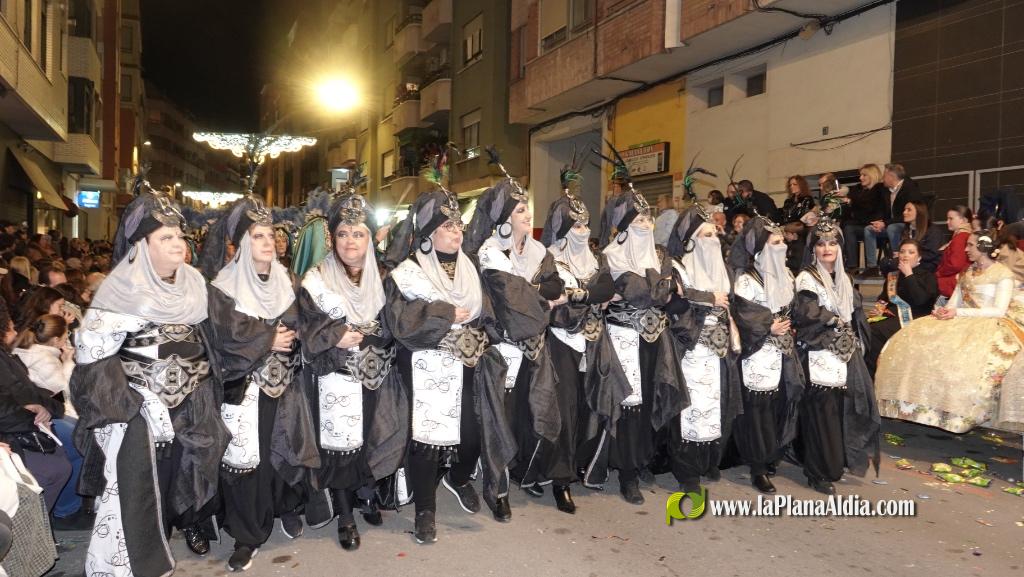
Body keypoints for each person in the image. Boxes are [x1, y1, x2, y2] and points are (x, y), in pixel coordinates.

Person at [70, 183, 230, 576]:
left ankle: (189, 521)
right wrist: (128, 404)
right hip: (141, 407)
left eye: (180, 235)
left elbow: (219, 334)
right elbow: (92, 357)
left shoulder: (195, 282)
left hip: (194, 399)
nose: (179, 243)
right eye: (166, 237)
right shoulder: (120, 290)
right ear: (142, 245)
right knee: (144, 483)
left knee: (189, 469)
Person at [198, 197, 320, 571]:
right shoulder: (222, 287)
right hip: (244, 388)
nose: (268, 242)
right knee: (246, 463)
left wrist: (296, 333)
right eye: (257, 236)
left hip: (286, 386)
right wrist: (268, 338)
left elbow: (309, 318)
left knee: (285, 449)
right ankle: (248, 534)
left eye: (270, 234)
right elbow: (223, 334)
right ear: (238, 244)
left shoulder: (288, 280)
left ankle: (286, 507)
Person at [382, 185, 505, 544]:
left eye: (458, 227)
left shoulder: (470, 267)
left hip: (468, 363)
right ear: (429, 232)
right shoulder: (406, 272)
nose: (457, 233)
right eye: (449, 227)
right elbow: (401, 323)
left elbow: (487, 313)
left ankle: (459, 477)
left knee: (471, 432)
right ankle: (425, 510)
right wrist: (444, 314)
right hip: (425, 365)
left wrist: (484, 333)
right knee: (426, 441)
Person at [297, 192, 408, 551]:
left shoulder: (386, 278)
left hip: (380, 376)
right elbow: (307, 326)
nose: (350, 242)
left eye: (358, 234)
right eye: (343, 234)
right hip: (338, 377)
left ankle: (367, 494)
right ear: (332, 238)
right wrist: (334, 335)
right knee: (342, 448)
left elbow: (398, 321)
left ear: (370, 238)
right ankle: (345, 514)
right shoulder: (316, 280)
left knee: (375, 437)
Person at [463, 167, 563, 513]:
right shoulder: (490, 251)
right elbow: (511, 300)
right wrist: (543, 297)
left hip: (536, 349)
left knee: (534, 414)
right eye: (519, 209)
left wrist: (539, 294)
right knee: (499, 421)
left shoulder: (538, 250)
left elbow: (555, 286)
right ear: (504, 217)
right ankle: (497, 488)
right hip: (502, 350)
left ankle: (529, 472)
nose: (527, 212)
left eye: (527, 207)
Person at [875, 230, 1024, 433]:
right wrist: (944, 311)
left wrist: (957, 312)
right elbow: (955, 301)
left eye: (970, 245)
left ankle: (962, 413)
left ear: (983, 248)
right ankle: (915, 406)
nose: (966, 249)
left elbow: (998, 310)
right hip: (959, 318)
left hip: (989, 323)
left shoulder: (1002, 274)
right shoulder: (967, 272)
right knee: (912, 336)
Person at [540, 169, 629, 506]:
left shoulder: (595, 258)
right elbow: (556, 303)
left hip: (594, 341)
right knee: (563, 410)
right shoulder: (548, 259)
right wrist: (587, 295)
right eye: (577, 225)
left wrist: (577, 293)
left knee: (592, 405)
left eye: (586, 224)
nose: (584, 230)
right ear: (563, 227)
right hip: (562, 343)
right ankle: (560, 478)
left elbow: (607, 287)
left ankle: (585, 465)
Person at [596, 183, 686, 505]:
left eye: (648, 219)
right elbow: (647, 291)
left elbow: (665, 295)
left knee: (652, 399)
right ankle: (627, 473)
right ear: (623, 226)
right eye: (637, 221)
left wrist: (656, 287)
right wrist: (659, 287)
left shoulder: (661, 255)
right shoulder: (610, 256)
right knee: (629, 405)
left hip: (655, 340)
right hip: (622, 339)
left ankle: (644, 460)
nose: (645, 225)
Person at [791, 218, 880, 495]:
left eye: (832, 243)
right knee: (821, 415)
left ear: (841, 247)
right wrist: (832, 319)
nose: (827, 248)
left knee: (843, 411)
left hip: (844, 354)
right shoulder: (807, 277)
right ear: (813, 249)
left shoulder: (845, 278)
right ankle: (818, 471)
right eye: (820, 244)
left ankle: (834, 462)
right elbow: (805, 312)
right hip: (818, 354)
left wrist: (856, 338)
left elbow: (855, 315)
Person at [665, 206, 741, 494]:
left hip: (719, 350)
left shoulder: (722, 269)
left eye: (714, 234)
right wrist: (707, 298)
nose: (713, 239)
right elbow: (673, 301)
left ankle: (709, 460)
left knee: (717, 404)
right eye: (705, 235)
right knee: (690, 408)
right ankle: (686, 471)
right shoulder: (678, 267)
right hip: (690, 349)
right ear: (691, 239)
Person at [727, 216, 803, 495]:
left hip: (783, 352)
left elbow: (794, 308)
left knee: (778, 405)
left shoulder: (789, 276)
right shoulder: (746, 280)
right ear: (759, 249)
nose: (782, 246)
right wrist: (767, 325)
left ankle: (772, 455)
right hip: (758, 353)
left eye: (783, 241)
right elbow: (742, 313)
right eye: (775, 242)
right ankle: (757, 467)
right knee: (757, 410)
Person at [11, 314, 89, 529]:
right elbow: (65, 389)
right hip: (32, 418)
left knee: (76, 437)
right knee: (78, 442)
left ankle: (69, 506)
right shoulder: (43, 359)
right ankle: (67, 510)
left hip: (40, 411)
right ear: (57, 340)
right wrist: (67, 362)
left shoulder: (24, 354)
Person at [0, 301, 71, 516]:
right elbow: (57, 387)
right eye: (9, 326)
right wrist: (33, 416)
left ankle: (49, 521)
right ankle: (53, 519)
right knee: (60, 462)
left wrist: (47, 409)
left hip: (23, 419)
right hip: (14, 429)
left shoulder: (7, 355)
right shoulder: (17, 357)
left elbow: (26, 392)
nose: (13, 329)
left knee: (67, 447)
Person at [864, 240, 938, 375]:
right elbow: (884, 298)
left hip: (916, 318)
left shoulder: (928, 276)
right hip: (892, 315)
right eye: (902, 252)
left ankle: (877, 374)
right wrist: (878, 309)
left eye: (911, 252)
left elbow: (920, 300)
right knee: (864, 326)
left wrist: (909, 274)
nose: (905, 255)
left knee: (875, 331)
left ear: (919, 258)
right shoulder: (893, 275)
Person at [864, 163, 921, 272]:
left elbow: (909, 214)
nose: (882, 179)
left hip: (906, 225)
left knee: (893, 228)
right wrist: (879, 222)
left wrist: (886, 223)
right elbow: (881, 209)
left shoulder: (910, 187)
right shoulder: (885, 190)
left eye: (884, 176)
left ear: (891, 177)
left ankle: (897, 259)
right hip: (889, 224)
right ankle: (872, 267)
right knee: (869, 229)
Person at [839, 166, 888, 270]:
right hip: (860, 224)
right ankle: (851, 264)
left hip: (875, 225)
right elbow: (854, 208)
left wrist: (852, 202)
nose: (861, 178)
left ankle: (858, 266)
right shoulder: (858, 189)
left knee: (850, 227)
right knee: (846, 227)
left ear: (872, 175)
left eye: (864, 175)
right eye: (860, 175)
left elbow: (869, 207)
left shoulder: (880, 188)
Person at [894, 201, 945, 273]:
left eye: (909, 210)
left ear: (919, 212)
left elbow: (931, 254)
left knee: (893, 265)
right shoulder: (906, 230)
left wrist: (910, 256)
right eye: (904, 210)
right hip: (910, 261)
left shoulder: (933, 230)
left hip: (928, 264)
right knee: (886, 263)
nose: (904, 212)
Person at [934, 205, 973, 298]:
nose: (947, 222)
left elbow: (956, 264)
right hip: (958, 279)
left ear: (963, 220)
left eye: (951, 218)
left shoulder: (960, 237)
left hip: (953, 282)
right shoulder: (965, 235)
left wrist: (937, 274)